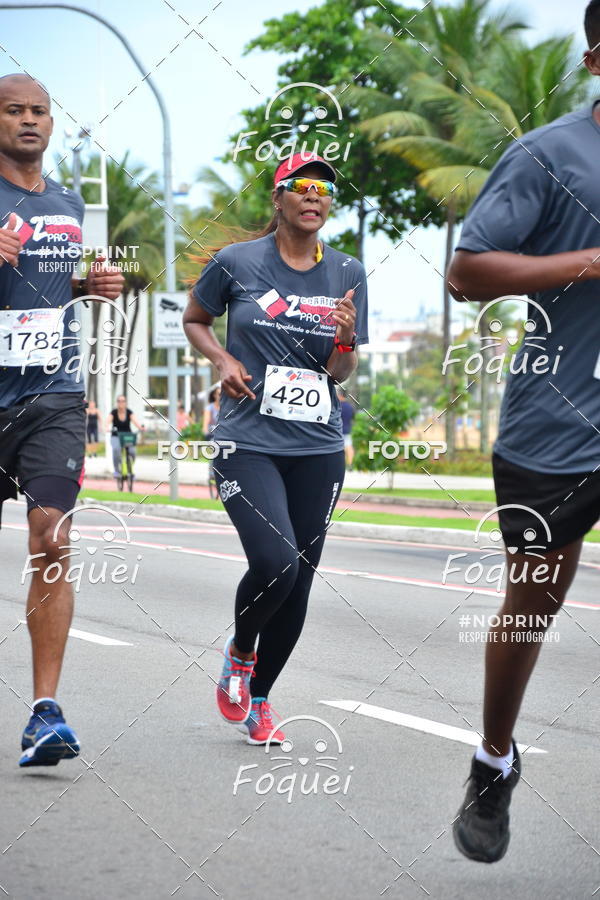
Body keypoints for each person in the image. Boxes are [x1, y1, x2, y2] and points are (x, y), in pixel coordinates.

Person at [447, 1, 600, 863]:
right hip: (561, 421)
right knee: (534, 601)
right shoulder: (550, 153)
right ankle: (493, 759)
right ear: (596, 61)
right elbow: (468, 270)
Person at [183, 152, 368, 744]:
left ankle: (260, 699)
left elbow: (341, 371)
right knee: (276, 563)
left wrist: (344, 338)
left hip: (317, 445)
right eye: (302, 186)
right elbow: (196, 318)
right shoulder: (237, 263)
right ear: (278, 197)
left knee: (302, 577)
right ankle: (241, 652)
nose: (315, 196)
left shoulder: (347, 270)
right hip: (247, 439)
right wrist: (223, 358)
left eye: (323, 190)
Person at [0, 74, 124, 767]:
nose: (28, 121)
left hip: (53, 393)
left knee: (52, 537)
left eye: (38, 111)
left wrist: (89, 286)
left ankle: (46, 712)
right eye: (14, 110)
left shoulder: (68, 203)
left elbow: (45, 287)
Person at [106, 395, 144, 478]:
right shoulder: (114, 412)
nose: (121, 403)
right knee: (116, 450)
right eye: (119, 401)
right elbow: (108, 421)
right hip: (116, 436)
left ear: (125, 403)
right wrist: (107, 427)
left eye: (123, 401)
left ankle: (130, 468)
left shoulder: (129, 412)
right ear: (117, 403)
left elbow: (135, 421)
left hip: (127, 436)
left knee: (132, 452)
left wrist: (140, 428)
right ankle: (117, 470)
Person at [337, 388, 355, 468]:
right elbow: (353, 418)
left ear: (340, 395)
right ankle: (350, 464)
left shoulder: (337, 406)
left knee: (340, 448)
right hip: (347, 430)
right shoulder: (350, 407)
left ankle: (342, 465)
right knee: (349, 446)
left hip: (338, 430)